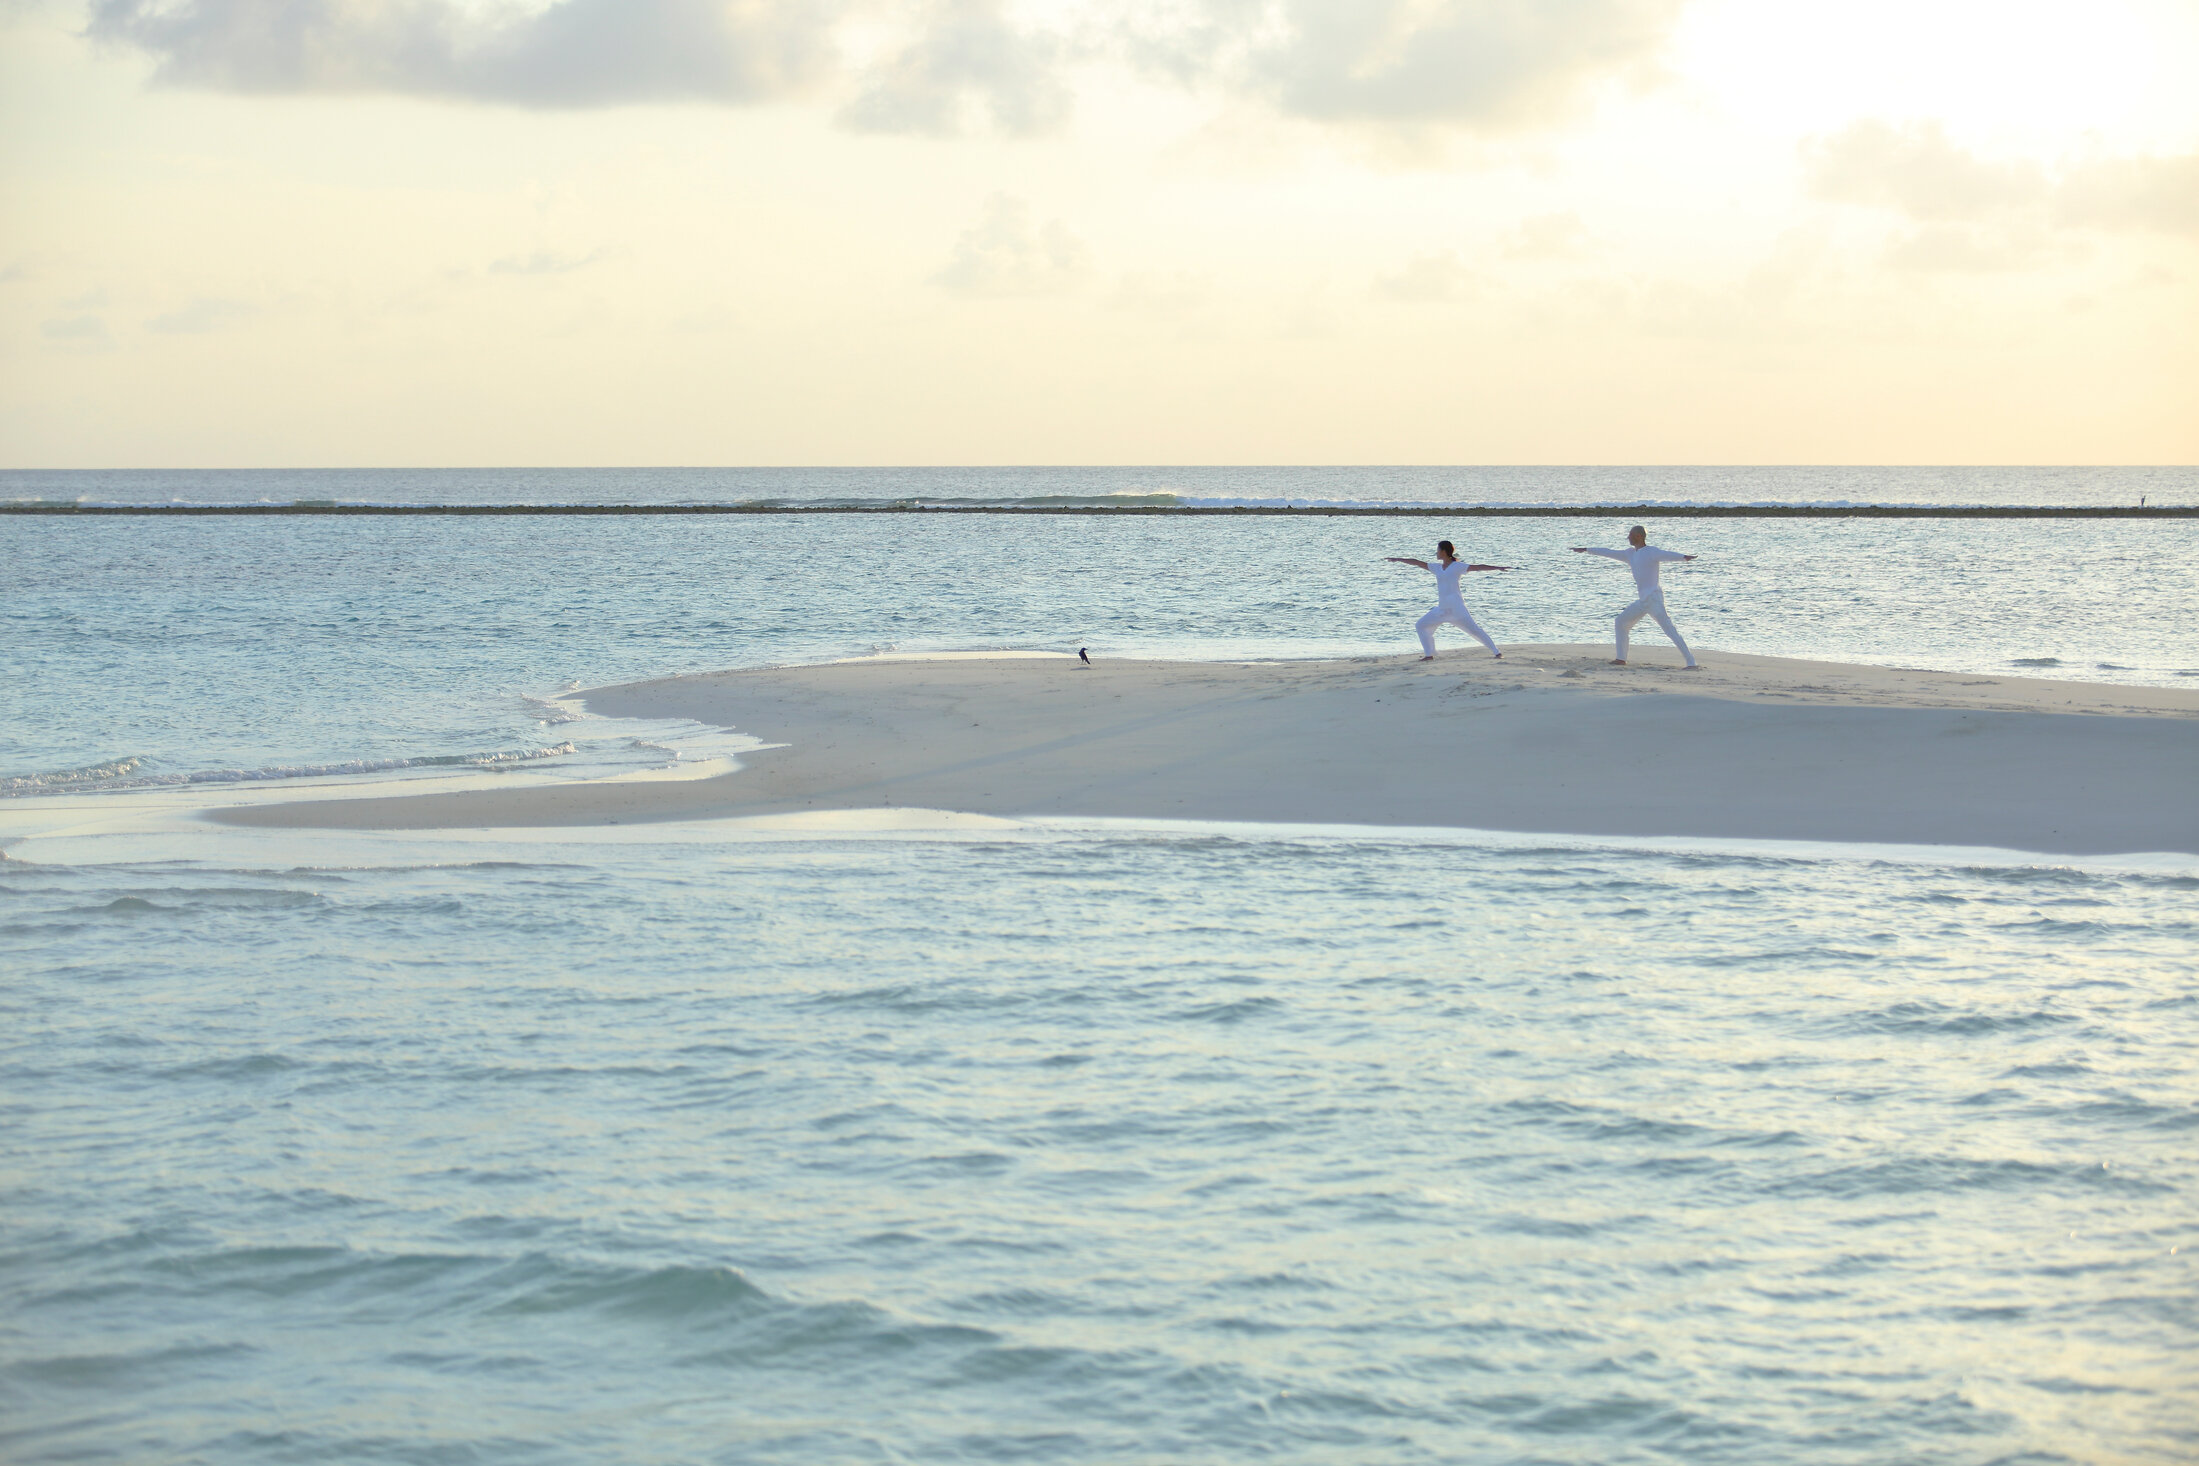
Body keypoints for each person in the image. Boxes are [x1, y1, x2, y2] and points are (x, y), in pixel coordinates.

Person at [1570, 526, 1699, 668]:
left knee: (1669, 630)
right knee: (1621, 622)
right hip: (1643, 601)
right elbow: (1609, 552)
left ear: (1638, 536)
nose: (1628, 537)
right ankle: (1621, 658)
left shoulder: (1651, 552)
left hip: (1653, 599)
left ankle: (1691, 662)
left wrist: (1683, 557)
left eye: (1630, 535)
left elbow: (1666, 555)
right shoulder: (1630, 554)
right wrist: (1587, 549)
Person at [1385, 541, 1512, 660]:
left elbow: (1477, 567)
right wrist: (1398, 559)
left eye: (1438, 550)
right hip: (1442, 610)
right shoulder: (1437, 568)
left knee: (1474, 630)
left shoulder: (1457, 566)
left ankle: (1497, 652)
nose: (1436, 552)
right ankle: (1429, 654)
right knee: (1421, 625)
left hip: (1457, 609)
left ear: (1444, 552)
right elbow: (1417, 562)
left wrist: (1497, 567)